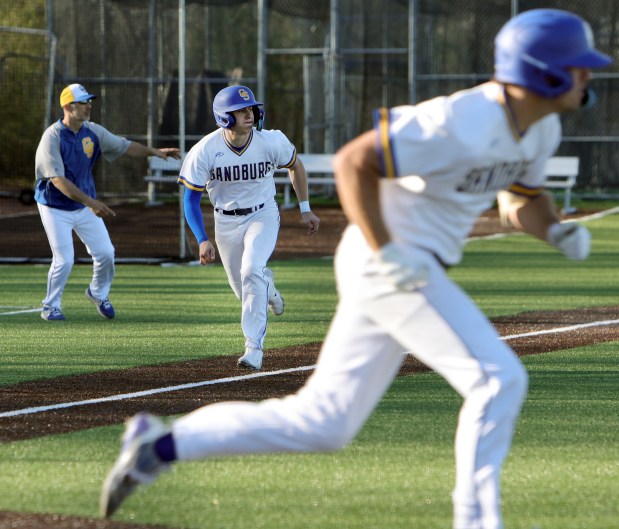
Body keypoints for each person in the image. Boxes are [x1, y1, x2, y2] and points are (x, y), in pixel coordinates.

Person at [100, 9, 611, 529]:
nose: (588, 75)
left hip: (405, 267)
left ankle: (160, 445)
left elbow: (518, 200)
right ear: (540, 71)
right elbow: (353, 162)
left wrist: (555, 229)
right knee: (499, 380)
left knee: (324, 423)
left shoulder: (540, 129)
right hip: (386, 260)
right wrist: (390, 250)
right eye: (579, 66)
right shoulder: (460, 120)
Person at [176, 85, 320, 370]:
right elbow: (190, 198)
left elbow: (296, 165)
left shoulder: (271, 141)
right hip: (225, 221)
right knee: (245, 292)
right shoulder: (205, 150)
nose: (249, 114)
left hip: (262, 214)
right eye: (240, 110)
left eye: (251, 108)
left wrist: (305, 208)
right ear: (223, 117)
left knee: (251, 270)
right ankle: (270, 291)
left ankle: (253, 348)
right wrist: (203, 240)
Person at [35, 83, 180, 321]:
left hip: (84, 204)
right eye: (84, 102)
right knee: (65, 258)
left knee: (105, 253)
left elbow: (125, 146)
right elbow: (58, 180)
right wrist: (92, 202)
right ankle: (50, 306)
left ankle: (97, 292)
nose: (89, 105)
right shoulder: (51, 137)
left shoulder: (93, 132)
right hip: (54, 207)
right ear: (69, 107)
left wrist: (156, 152)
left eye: (89, 101)